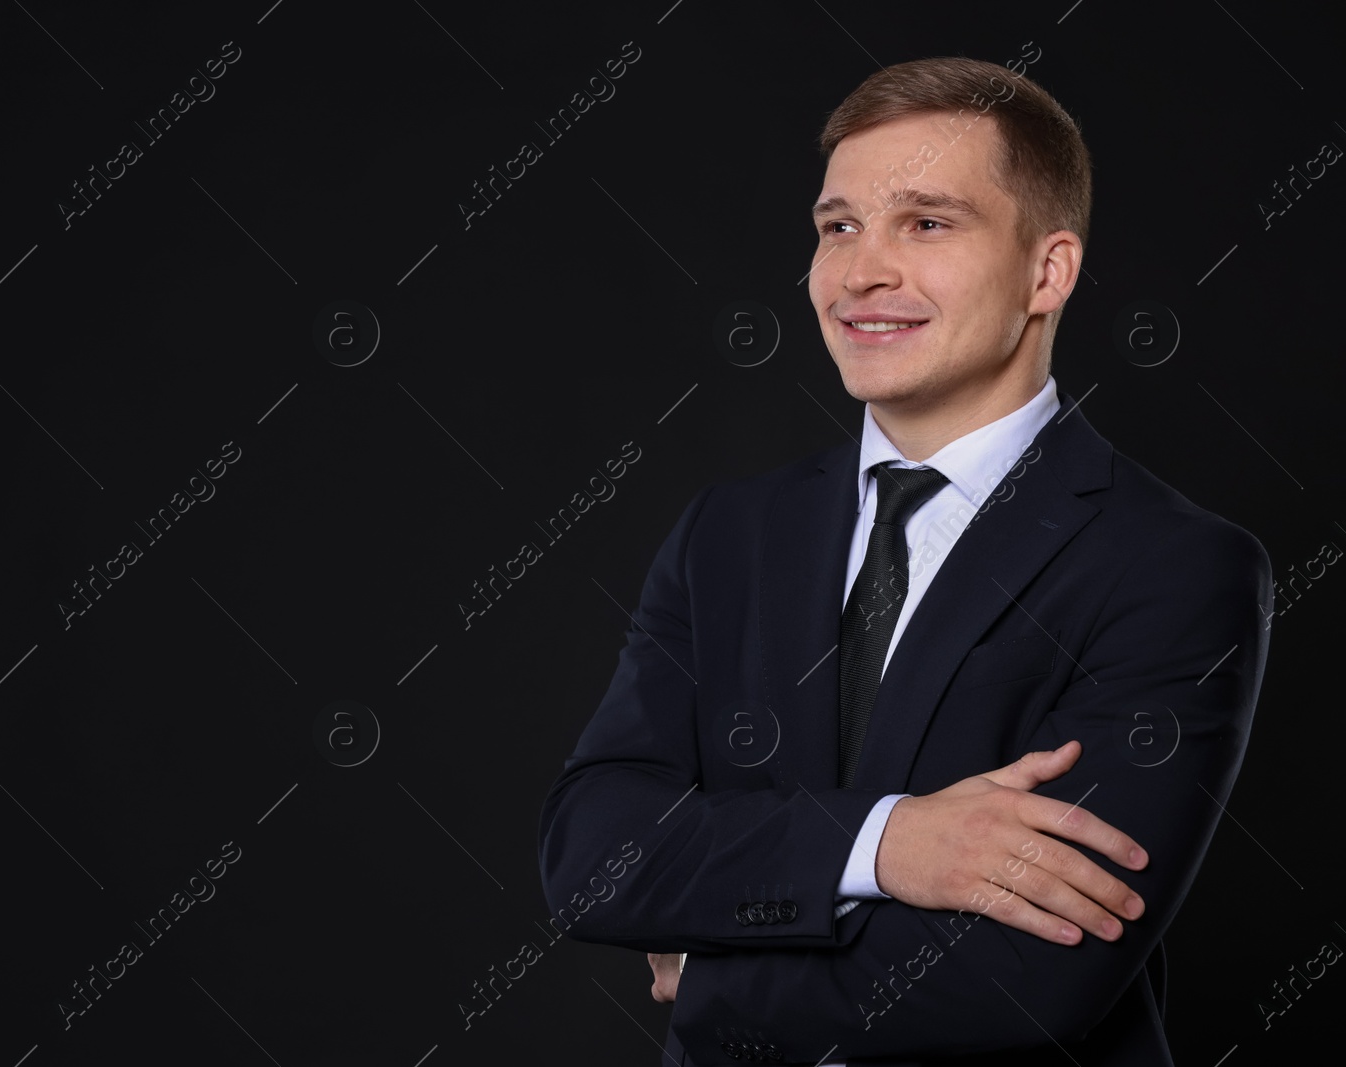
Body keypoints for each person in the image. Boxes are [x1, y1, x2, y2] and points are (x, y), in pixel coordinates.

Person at [537, 56, 1271, 1066]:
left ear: (1045, 271)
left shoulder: (1176, 564)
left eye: (925, 222)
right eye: (838, 226)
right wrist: (884, 841)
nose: (859, 271)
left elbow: (1030, 979)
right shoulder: (730, 532)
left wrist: (710, 968)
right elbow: (592, 855)